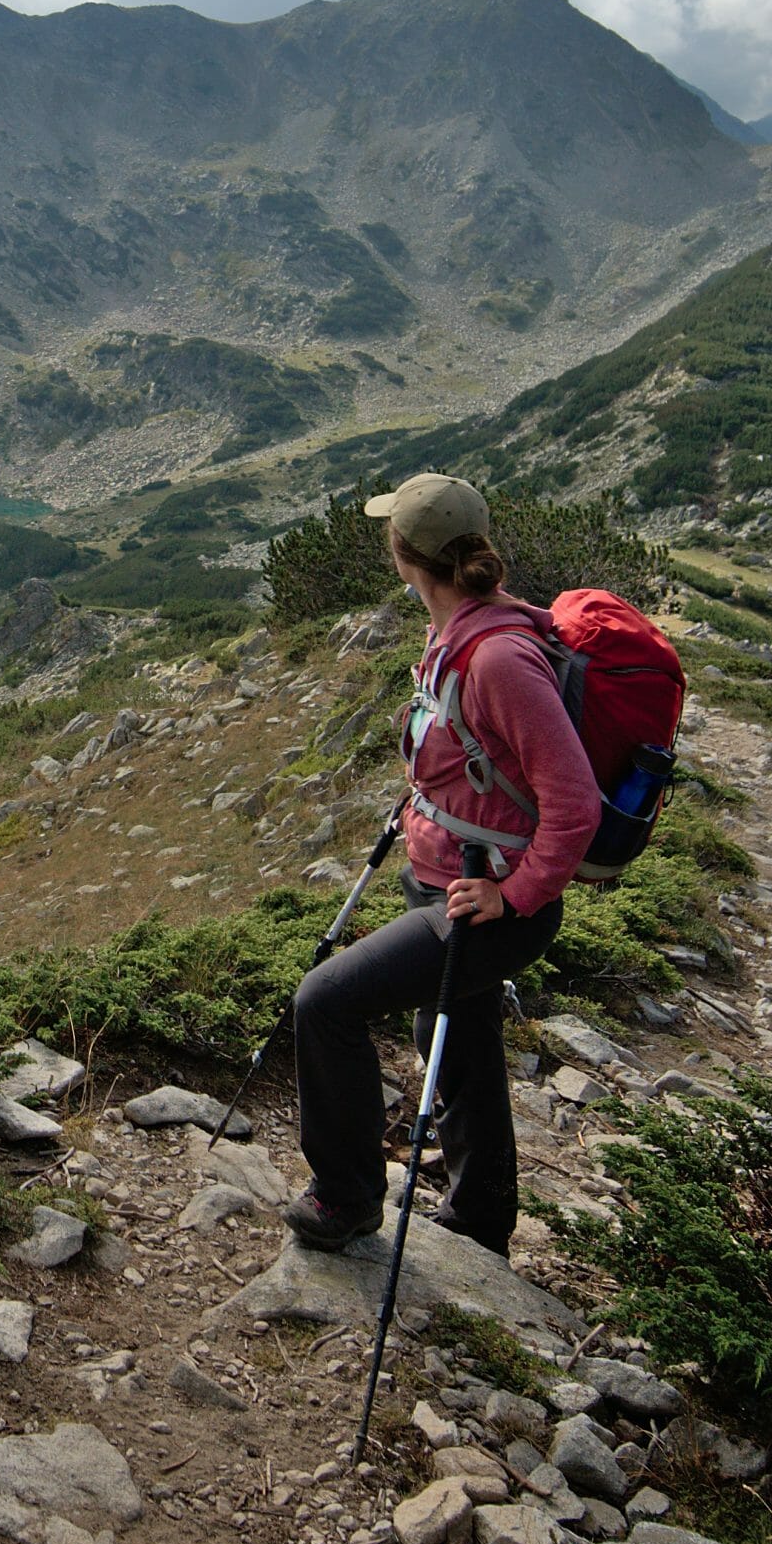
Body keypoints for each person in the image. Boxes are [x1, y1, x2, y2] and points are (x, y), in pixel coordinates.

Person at [281, 472, 599, 1258]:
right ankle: (483, 1212)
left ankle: (347, 1197)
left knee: (324, 1002)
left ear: (404, 555)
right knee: (453, 1028)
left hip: (482, 902)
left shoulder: (497, 659)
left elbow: (577, 802)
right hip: (443, 875)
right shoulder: (458, 628)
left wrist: (516, 895)